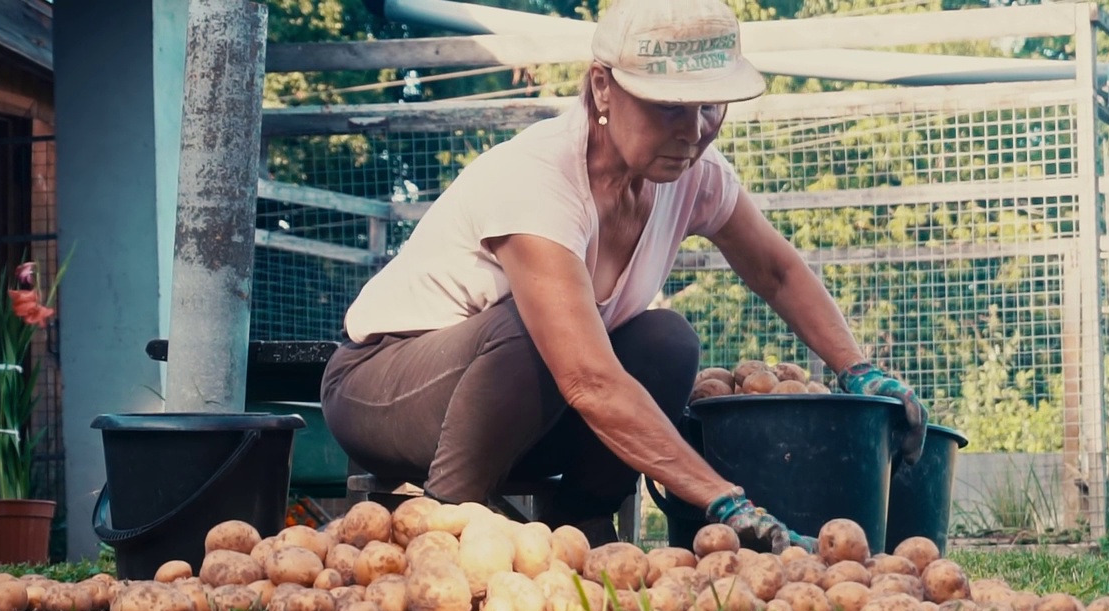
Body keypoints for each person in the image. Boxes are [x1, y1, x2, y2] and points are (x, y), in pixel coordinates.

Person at [320, 0, 928, 551]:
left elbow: (777, 270)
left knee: (665, 341)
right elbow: (587, 378)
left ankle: (584, 521)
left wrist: (860, 370)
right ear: (603, 88)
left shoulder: (693, 173)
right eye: (668, 108)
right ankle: (450, 522)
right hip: (385, 389)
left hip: (530, 408)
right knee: (538, 331)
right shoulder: (541, 181)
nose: (692, 133)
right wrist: (726, 500)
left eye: (708, 107)